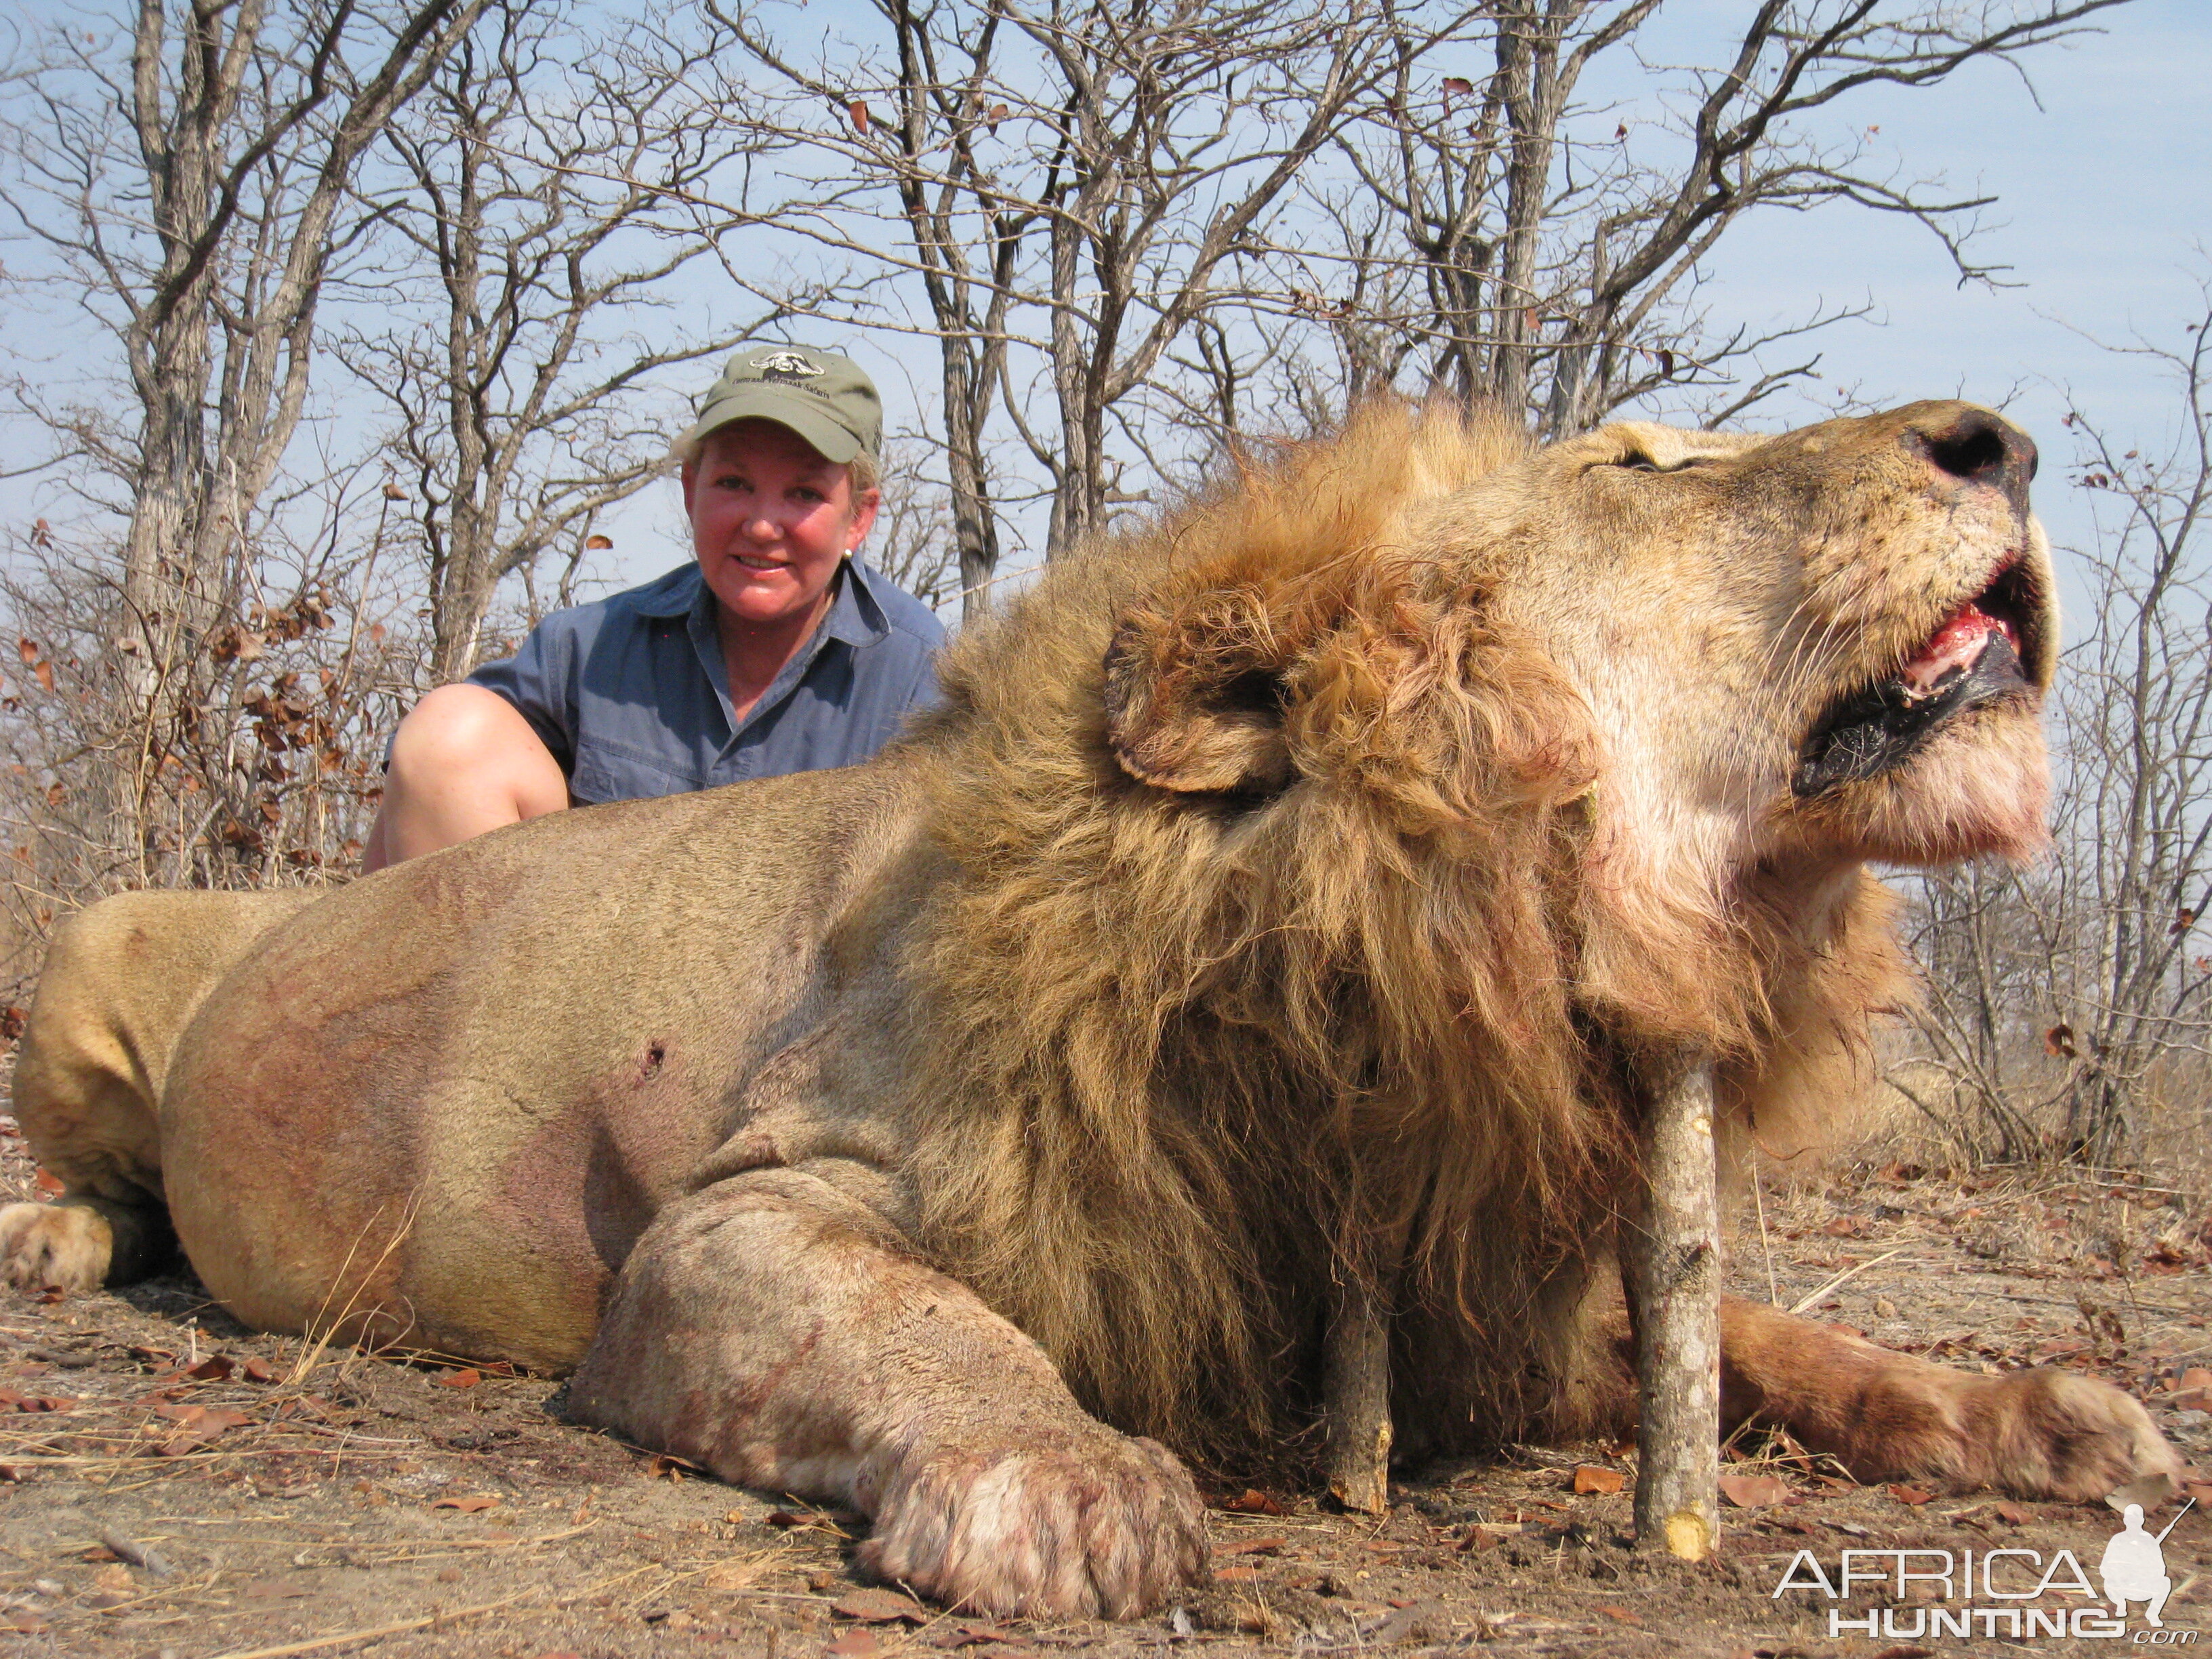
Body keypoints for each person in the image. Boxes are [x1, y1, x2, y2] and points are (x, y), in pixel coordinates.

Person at [363, 346, 945, 871]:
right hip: (591, 977)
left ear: (860, 518)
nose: (762, 525)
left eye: (805, 494)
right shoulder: (590, 648)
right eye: (735, 482)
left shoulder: (922, 677)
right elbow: (418, 795)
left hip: (804, 987)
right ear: (691, 490)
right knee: (444, 736)